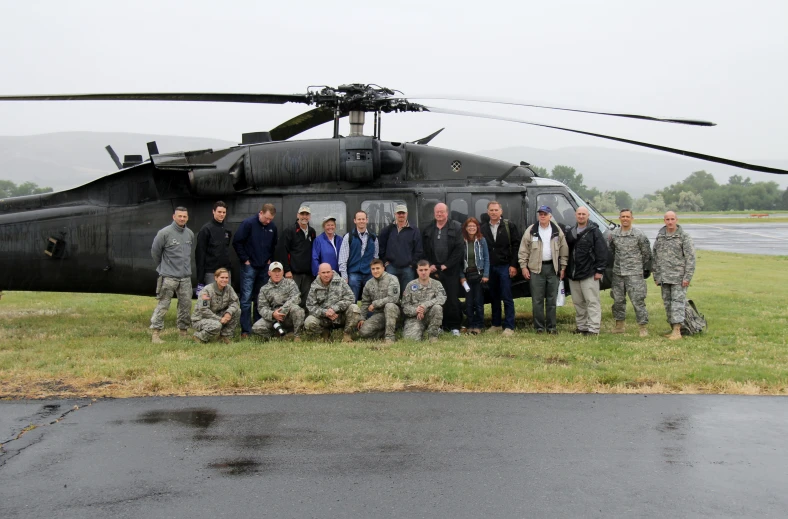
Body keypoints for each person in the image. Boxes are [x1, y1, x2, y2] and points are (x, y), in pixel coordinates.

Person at [519, 206, 568, 334]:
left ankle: (552, 327)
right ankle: (539, 327)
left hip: (553, 268)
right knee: (537, 300)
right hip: (536, 270)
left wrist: (563, 267)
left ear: (550, 216)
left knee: (552, 299)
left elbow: (564, 249)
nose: (542, 216)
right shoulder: (531, 230)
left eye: (545, 214)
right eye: (540, 214)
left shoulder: (557, 231)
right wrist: (523, 267)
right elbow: (523, 250)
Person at [232, 203, 278, 338]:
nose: (268, 221)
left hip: (264, 267)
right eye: (266, 218)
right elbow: (237, 242)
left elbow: (273, 244)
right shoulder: (248, 224)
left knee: (260, 299)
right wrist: (245, 259)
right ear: (261, 213)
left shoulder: (272, 227)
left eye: (271, 219)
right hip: (249, 266)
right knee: (246, 298)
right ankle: (245, 330)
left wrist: (269, 259)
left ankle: (258, 327)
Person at [150, 206, 194, 343]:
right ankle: (156, 334)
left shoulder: (190, 234)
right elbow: (155, 252)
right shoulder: (164, 233)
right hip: (169, 277)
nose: (182, 219)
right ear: (173, 217)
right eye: (179, 216)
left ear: (187, 218)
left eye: (184, 216)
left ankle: (183, 332)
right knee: (163, 304)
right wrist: (163, 267)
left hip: (185, 277)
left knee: (186, 305)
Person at [565, 206, 609, 336]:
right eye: (579, 214)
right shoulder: (571, 232)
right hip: (574, 273)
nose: (581, 216)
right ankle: (582, 327)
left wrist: (599, 270)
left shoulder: (594, 232)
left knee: (592, 301)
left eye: (584, 214)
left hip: (589, 273)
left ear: (588, 216)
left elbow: (602, 252)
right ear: (575, 215)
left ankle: (594, 328)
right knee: (578, 303)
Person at [652, 211, 696, 340]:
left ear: (676, 219)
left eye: (672, 219)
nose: (670, 222)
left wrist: (687, 277)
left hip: (678, 277)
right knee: (668, 303)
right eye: (667, 219)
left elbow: (690, 258)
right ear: (664, 220)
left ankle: (677, 331)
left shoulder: (684, 236)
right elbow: (655, 256)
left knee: (677, 303)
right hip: (664, 277)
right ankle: (673, 328)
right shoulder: (661, 236)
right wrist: (656, 275)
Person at [609, 208, 652, 337]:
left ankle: (643, 327)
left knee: (638, 301)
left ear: (632, 218)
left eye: (628, 216)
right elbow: (612, 250)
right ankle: (619, 325)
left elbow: (647, 254)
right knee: (618, 300)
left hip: (634, 274)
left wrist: (641, 268)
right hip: (618, 273)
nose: (625, 219)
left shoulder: (639, 235)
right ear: (619, 218)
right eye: (623, 217)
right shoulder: (614, 234)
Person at [422, 202, 463, 336]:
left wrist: (448, 264)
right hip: (434, 270)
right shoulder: (428, 229)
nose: (439, 214)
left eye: (442, 212)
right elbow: (424, 250)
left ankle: (454, 327)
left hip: (450, 270)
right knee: (437, 299)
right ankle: (439, 325)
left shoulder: (456, 227)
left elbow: (459, 249)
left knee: (452, 298)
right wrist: (430, 265)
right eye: (437, 212)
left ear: (447, 213)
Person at [480, 201, 520, 336]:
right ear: (487, 212)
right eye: (491, 210)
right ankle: (496, 324)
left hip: (505, 266)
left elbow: (516, 246)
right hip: (490, 267)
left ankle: (509, 326)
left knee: (507, 296)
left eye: (496, 210)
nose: (493, 212)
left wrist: (514, 265)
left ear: (501, 212)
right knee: (494, 296)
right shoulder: (483, 228)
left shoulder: (509, 226)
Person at [305, 262, 361, 342]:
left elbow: (351, 297)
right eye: (323, 273)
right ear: (319, 273)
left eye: (328, 272)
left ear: (332, 272)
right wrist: (325, 312)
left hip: (340, 316)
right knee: (309, 322)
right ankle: (324, 332)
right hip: (324, 318)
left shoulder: (340, 281)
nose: (326, 275)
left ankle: (347, 334)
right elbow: (310, 306)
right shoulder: (314, 286)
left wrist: (334, 309)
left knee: (354, 308)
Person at [276, 206, 316, 312]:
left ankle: (303, 323)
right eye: (302, 214)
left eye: (306, 214)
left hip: (307, 273)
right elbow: (283, 251)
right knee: (292, 299)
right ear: (297, 215)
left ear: (309, 216)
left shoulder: (312, 232)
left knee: (306, 300)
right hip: (293, 273)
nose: (304, 217)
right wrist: (287, 270)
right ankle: (290, 323)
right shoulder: (289, 231)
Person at [252, 262, 305, 341]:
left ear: (283, 272)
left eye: (279, 271)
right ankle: (278, 337)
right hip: (274, 319)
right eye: (274, 271)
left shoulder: (290, 283)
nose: (277, 274)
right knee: (256, 327)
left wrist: (284, 309)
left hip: (288, 315)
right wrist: (273, 314)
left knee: (298, 310)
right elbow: (262, 308)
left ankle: (297, 336)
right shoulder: (264, 289)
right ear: (269, 273)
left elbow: (296, 298)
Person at [379, 204, 423, 292]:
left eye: (403, 213)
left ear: (407, 214)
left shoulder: (414, 230)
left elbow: (419, 249)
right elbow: (381, 247)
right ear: (395, 214)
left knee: (407, 294)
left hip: (408, 269)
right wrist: (385, 262)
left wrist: (412, 264)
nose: (401, 215)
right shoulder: (388, 230)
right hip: (391, 267)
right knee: (391, 293)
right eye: (399, 213)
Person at [402, 260, 447, 342]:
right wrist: (416, 310)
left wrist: (425, 305)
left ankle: (433, 335)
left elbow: (442, 298)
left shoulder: (437, 284)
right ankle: (422, 330)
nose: (423, 272)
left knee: (437, 308)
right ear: (417, 271)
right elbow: (405, 306)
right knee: (411, 340)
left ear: (430, 270)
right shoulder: (410, 285)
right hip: (415, 318)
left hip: (430, 316)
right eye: (421, 270)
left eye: (426, 270)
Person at [338, 210, 379, 301]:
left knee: (371, 299)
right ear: (355, 221)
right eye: (359, 219)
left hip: (369, 273)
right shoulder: (349, 237)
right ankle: (353, 314)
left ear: (367, 220)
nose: (361, 221)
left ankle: (370, 315)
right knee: (352, 299)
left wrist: (376, 273)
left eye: (363, 219)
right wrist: (344, 277)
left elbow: (376, 258)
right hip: (353, 273)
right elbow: (342, 258)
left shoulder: (373, 238)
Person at [191, 268, 240, 344]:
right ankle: (199, 336)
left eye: (226, 278)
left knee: (237, 311)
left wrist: (228, 313)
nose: (224, 280)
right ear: (216, 278)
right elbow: (204, 310)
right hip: (200, 319)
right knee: (217, 325)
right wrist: (220, 319)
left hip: (216, 314)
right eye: (222, 277)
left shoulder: (229, 288)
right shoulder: (207, 290)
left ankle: (224, 336)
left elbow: (235, 302)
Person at [358, 259, 401, 344]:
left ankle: (389, 337)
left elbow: (393, 298)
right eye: (373, 269)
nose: (375, 271)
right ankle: (384, 331)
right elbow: (365, 302)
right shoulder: (369, 283)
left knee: (389, 306)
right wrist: (362, 318)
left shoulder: (392, 279)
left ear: (383, 268)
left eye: (378, 268)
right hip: (379, 315)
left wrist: (375, 304)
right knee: (363, 332)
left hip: (394, 312)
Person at [195, 201, 232, 296]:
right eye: (219, 212)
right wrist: (200, 277)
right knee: (211, 298)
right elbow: (200, 253)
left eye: (224, 212)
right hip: (211, 272)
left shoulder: (227, 229)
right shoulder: (206, 229)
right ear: (213, 211)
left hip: (225, 271)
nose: (222, 214)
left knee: (226, 297)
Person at [460, 218, 490, 335]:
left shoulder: (482, 241)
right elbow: (459, 261)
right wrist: (461, 276)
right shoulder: (462, 242)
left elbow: (487, 258)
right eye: (469, 226)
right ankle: (470, 324)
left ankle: (479, 325)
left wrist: (486, 274)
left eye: (474, 226)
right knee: (468, 302)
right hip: (467, 276)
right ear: (466, 228)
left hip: (479, 275)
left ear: (477, 227)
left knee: (478, 301)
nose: (471, 228)